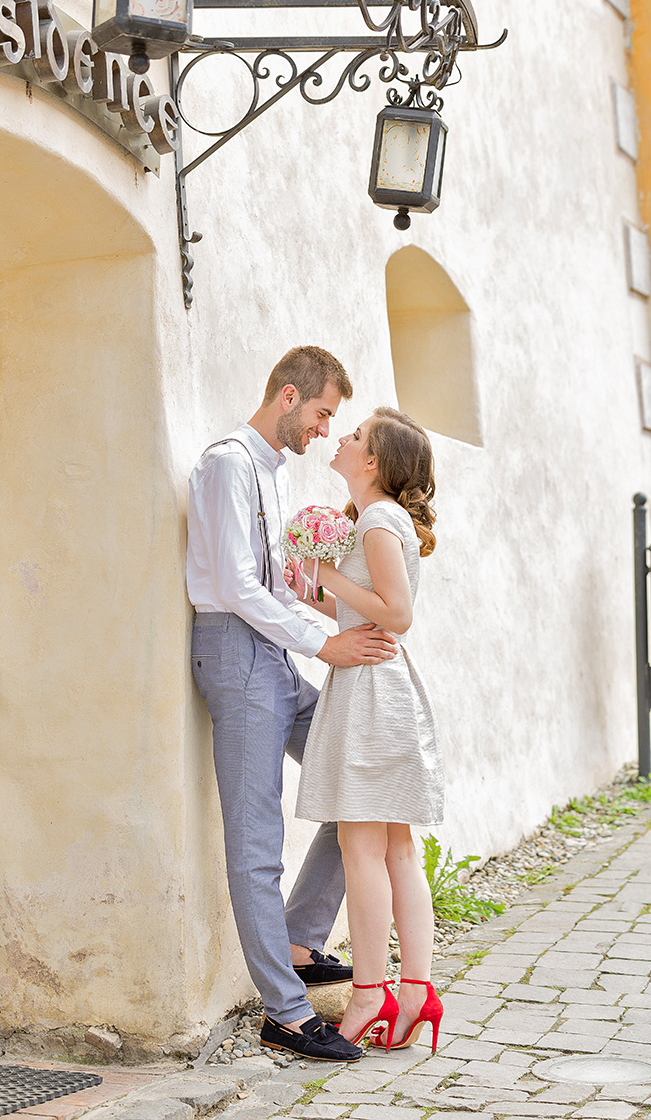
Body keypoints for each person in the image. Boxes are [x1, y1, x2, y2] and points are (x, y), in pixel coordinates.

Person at [187, 348, 398, 1063]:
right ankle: (284, 1011)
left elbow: (272, 589)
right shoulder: (226, 464)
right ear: (287, 396)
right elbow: (236, 587)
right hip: (237, 655)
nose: (324, 430)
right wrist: (322, 645)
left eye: (332, 420)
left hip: (273, 653)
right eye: (321, 414)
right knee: (255, 846)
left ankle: (302, 940)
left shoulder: (272, 474)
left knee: (360, 778)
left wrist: (322, 610)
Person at [293, 407, 445, 1054]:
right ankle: (415, 992)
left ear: (375, 461)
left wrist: (324, 575)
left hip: (372, 693)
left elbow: (398, 614)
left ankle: (367, 994)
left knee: (363, 851)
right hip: (382, 690)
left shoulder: (379, 519)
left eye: (355, 436)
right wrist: (312, 589)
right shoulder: (377, 522)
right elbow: (362, 603)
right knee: (396, 850)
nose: (344, 438)